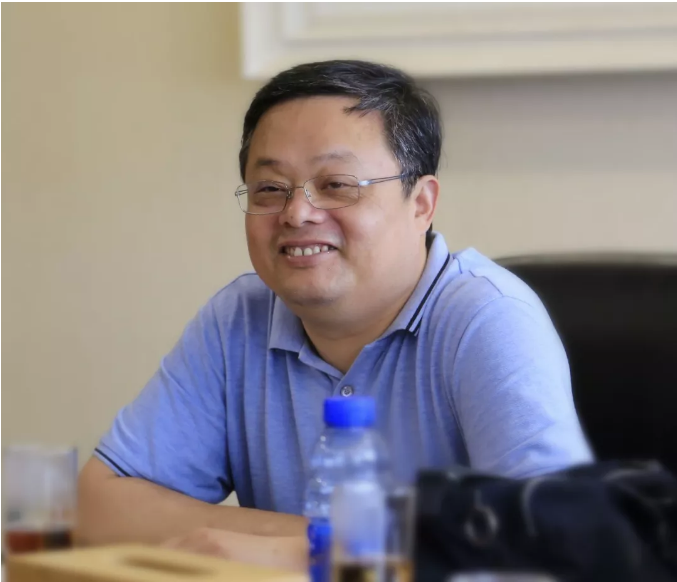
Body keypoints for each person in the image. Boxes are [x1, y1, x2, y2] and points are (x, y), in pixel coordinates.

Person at [78, 60, 592, 569]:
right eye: (270, 189)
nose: (296, 213)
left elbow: (557, 545)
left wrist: (298, 555)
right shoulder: (238, 319)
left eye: (337, 185)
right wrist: (327, 543)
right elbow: (98, 508)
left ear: (421, 204)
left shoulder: (486, 319)